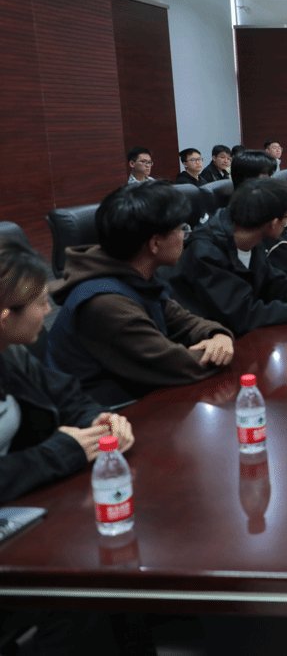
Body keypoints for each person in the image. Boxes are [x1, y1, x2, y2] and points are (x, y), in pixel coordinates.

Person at [46, 180, 234, 406]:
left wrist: (218, 335)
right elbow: (175, 365)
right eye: (180, 229)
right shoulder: (106, 303)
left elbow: (183, 321)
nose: (185, 235)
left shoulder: (133, 274)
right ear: (155, 243)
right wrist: (219, 352)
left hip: (137, 395)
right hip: (108, 415)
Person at [0, 240, 134, 504]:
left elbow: (67, 396)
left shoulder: (10, 353)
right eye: (40, 303)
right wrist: (60, 453)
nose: (48, 311)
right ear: (5, 319)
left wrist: (98, 421)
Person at [168, 178, 287, 337]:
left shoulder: (252, 236)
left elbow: (278, 286)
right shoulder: (206, 252)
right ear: (273, 223)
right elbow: (246, 315)